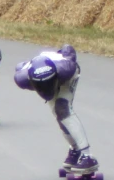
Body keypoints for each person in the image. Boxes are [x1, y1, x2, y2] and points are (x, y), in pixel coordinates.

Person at [13, 44, 99, 173]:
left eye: (48, 84)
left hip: (64, 79)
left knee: (63, 108)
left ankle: (88, 156)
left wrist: (63, 52)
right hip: (50, 74)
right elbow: (20, 67)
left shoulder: (67, 69)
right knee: (59, 117)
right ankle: (75, 150)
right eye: (41, 86)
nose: (46, 89)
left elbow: (68, 50)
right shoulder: (22, 79)